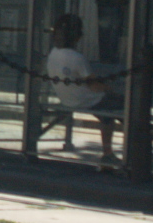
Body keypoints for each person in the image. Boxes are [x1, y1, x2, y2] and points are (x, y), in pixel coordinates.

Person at [46, 13, 120, 166]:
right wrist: (108, 88)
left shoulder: (52, 54)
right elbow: (94, 86)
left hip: (67, 98)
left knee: (112, 106)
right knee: (118, 107)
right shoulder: (77, 57)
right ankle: (108, 152)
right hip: (86, 100)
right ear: (76, 37)